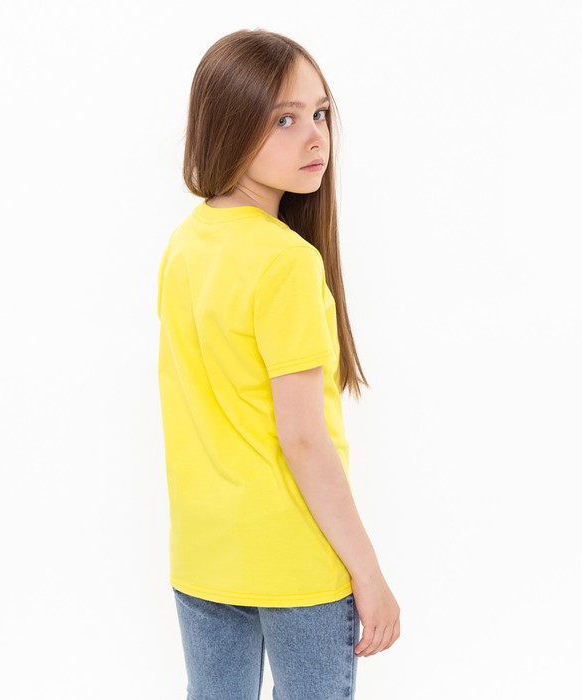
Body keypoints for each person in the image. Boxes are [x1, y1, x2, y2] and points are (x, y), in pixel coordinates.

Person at [156, 28, 401, 700]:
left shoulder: (185, 244)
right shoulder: (286, 261)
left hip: (205, 555)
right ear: (227, 125)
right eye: (284, 120)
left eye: (319, 113)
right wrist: (368, 572)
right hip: (294, 561)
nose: (315, 137)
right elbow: (302, 438)